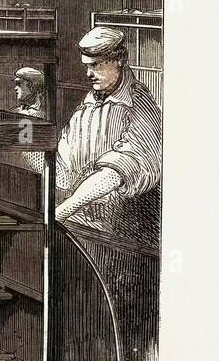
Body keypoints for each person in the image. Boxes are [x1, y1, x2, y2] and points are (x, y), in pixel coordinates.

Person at [54, 25, 161, 242]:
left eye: (95, 65)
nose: (88, 73)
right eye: (86, 66)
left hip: (123, 234)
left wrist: (62, 211)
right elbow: (64, 167)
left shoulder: (139, 104)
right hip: (78, 226)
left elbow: (122, 168)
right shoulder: (88, 105)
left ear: (119, 60)